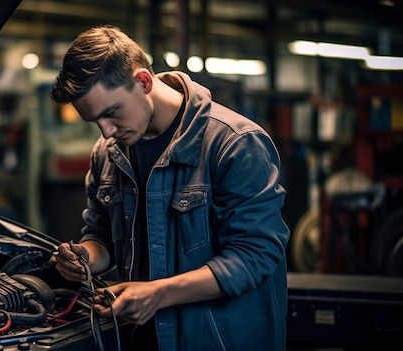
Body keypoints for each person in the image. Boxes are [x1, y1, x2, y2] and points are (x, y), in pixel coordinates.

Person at [50, 25, 290, 351]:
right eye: (96, 122)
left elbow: (256, 254)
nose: (106, 132)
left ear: (144, 81)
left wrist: (160, 293)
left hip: (219, 340)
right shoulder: (108, 154)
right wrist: (86, 257)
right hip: (143, 340)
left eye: (111, 114)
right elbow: (101, 234)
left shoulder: (234, 143)